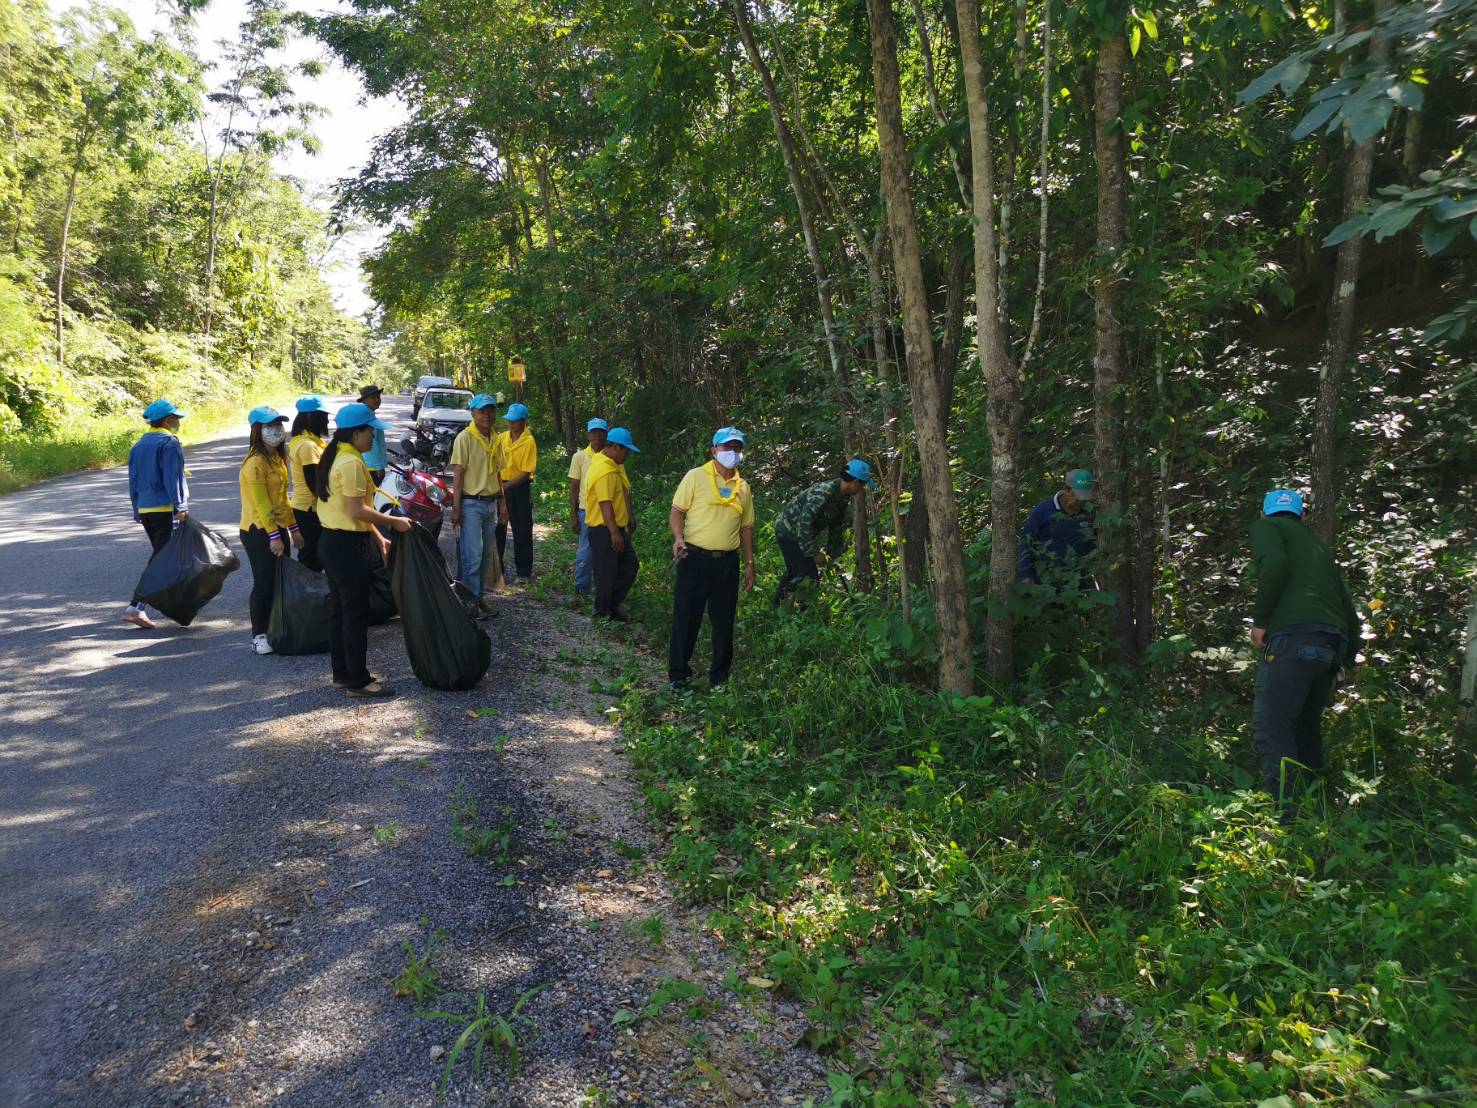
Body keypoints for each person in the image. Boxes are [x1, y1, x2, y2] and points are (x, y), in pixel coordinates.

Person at [1249, 488, 1360, 819]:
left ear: (1263, 513)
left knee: (1273, 726)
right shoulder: (1319, 548)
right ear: (1304, 516)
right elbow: (1348, 607)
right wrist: (1347, 660)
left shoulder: (1266, 527)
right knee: (1306, 729)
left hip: (1293, 638)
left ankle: (1283, 819)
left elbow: (1275, 565)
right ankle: (1315, 813)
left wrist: (1261, 621)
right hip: (1331, 644)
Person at [315, 402, 412, 698]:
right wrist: (393, 522)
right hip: (346, 547)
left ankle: (342, 673)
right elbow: (357, 510)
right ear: (356, 433)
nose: (373, 437)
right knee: (355, 613)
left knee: (340, 610)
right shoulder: (351, 463)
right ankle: (358, 681)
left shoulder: (336, 455)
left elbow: (352, 511)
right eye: (370, 431)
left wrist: (378, 538)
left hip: (332, 542)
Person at [668, 427, 756, 690]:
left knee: (723, 622)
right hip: (693, 557)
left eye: (737, 448)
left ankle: (720, 679)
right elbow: (677, 511)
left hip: (727, 563)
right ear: (714, 450)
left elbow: (746, 528)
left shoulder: (743, 487)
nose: (732, 452)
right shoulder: (695, 477)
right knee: (686, 618)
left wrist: (749, 563)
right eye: (727, 447)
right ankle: (678, 676)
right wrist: (678, 537)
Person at [238, 406, 302, 655]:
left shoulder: (278, 458)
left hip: (277, 527)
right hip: (258, 531)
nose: (276, 430)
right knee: (264, 583)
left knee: (279, 581)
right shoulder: (255, 463)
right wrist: (274, 537)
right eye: (269, 426)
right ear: (257, 430)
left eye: (278, 425)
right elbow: (262, 504)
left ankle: (277, 627)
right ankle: (259, 635)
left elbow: (283, 500)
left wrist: (294, 530)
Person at [123, 399, 190, 629]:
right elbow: (173, 478)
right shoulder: (169, 443)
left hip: (146, 510)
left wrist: (136, 509)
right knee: (161, 561)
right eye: (176, 419)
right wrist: (181, 506)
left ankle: (178, 605)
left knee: (166, 559)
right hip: (165, 510)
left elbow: (133, 481)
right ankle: (136, 606)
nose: (178, 423)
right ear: (168, 421)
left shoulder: (138, 446)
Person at [772, 459, 876, 605]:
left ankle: (781, 608)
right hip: (788, 532)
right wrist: (814, 553)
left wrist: (833, 556)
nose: (862, 489)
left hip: (799, 534)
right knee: (809, 576)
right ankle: (794, 609)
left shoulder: (842, 496)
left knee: (798, 572)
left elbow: (836, 527)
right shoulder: (823, 493)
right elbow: (804, 523)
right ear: (856, 483)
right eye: (863, 485)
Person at [449, 393, 508, 611]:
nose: (487, 415)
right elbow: (458, 474)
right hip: (471, 503)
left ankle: (478, 594)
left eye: (490, 411)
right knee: (472, 555)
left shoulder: (496, 438)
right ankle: (469, 600)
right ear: (473, 413)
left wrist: (502, 503)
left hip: (490, 504)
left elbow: (498, 473)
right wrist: (456, 508)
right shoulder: (465, 438)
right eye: (482, 411)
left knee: (485, 556)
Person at [584, 427, 640, 622]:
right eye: (626, 450)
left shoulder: (613, 465)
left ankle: (610, 607)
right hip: (605, 529)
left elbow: (622, 493)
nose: (627, 455)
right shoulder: (604, 470)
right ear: (615, 447)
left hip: (614, 528)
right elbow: (605, 502)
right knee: (606, 573)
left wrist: (629, 517)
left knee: (628, 566)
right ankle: (602, 613)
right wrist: (614, 532)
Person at [1017, 468, 1097, 588]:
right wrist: (1026, 574)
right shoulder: (1043, 511)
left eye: (1085, 498)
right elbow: (1026, 541)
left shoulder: (1089, 512)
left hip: (1079, 584)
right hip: (1046, 583)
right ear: (1066, 489)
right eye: (1077, 496)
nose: (1081, 501)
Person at [495, 401, 538, 582]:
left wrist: (504, 487)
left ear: (524, 422)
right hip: (501, 486)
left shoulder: (528, 441)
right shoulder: (502, 438)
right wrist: (499, 487)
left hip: (519, 489)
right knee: (498, 528)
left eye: (514, 421)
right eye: (509, 420)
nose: (511, 424)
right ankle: (497, 571)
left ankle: (523, 571)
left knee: (522, 530)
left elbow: (526, 473)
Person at [288, 396, 330, 571]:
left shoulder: (312, 442)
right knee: (311, 559)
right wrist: (333, 505)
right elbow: (314, 484)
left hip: (310, 509)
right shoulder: (307, 446)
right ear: (309, 417)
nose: (327, 420)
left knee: (314, 557)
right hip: (309, 510)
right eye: (323, 416)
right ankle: (307, 588)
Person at [568, 417, 608, 597]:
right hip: (587, 510)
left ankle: (601, 588)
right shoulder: (580, 457)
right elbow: (574, 486)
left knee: (604, 552)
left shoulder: (610, 455)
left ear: (606, 434)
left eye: (601, 432)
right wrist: (574, 514)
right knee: (586, 550)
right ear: (588, 435)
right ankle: (581, 587)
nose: (597, 436)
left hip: (607, 511)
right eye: (594, 432)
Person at [357, 384, 388, 486]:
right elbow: (372, 443)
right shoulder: (368, 418)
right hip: (372, 466)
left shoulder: (370, 415)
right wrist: (379, 466)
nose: (377, 400)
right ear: (364, 400)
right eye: (373, 398)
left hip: (371, 465)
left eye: (378, 397)